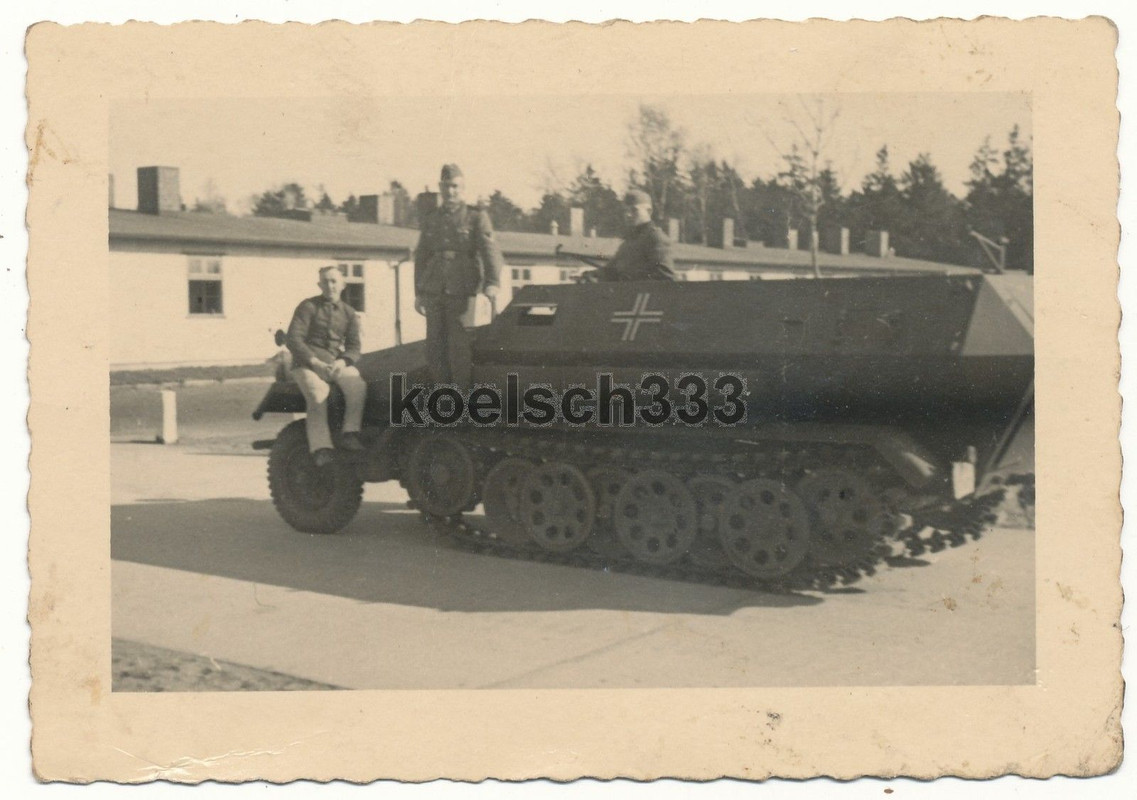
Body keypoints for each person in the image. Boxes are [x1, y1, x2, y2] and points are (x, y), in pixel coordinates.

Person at [413, 163, 504, 386]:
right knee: (434, 347)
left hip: (463, 289)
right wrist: (418, 292)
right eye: (446, 186)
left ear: (462, 189)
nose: (450, 191)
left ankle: (462, 403)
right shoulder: (432, 218)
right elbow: (422, 256)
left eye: (455, 187)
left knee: (459, 348)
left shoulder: (475, 217)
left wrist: (492, 283)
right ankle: (444, 401)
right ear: (440, 187)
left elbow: (490, 251)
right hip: (434, 290)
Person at [286, 266, 367, 467]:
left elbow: (354, 346)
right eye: (325, 281)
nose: (330, 286)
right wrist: (315, 362)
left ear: (342, 285)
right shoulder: (308, 307)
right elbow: (294, 339)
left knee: (357, 385)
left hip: (334, 362)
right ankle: (321, 448)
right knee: (319, 393)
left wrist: (342, 361)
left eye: (334, 281)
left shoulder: (349, 313)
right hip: (305, 363)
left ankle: (350, 433)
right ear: (319, 284)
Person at [585, 190, 676, 282]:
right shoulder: (628, 242)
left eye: (634, 210)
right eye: (626, 210)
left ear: (649, 211)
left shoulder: (656, 238)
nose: (628, 214)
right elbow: (612, 271)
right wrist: (594, 275)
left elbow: (665, 279)